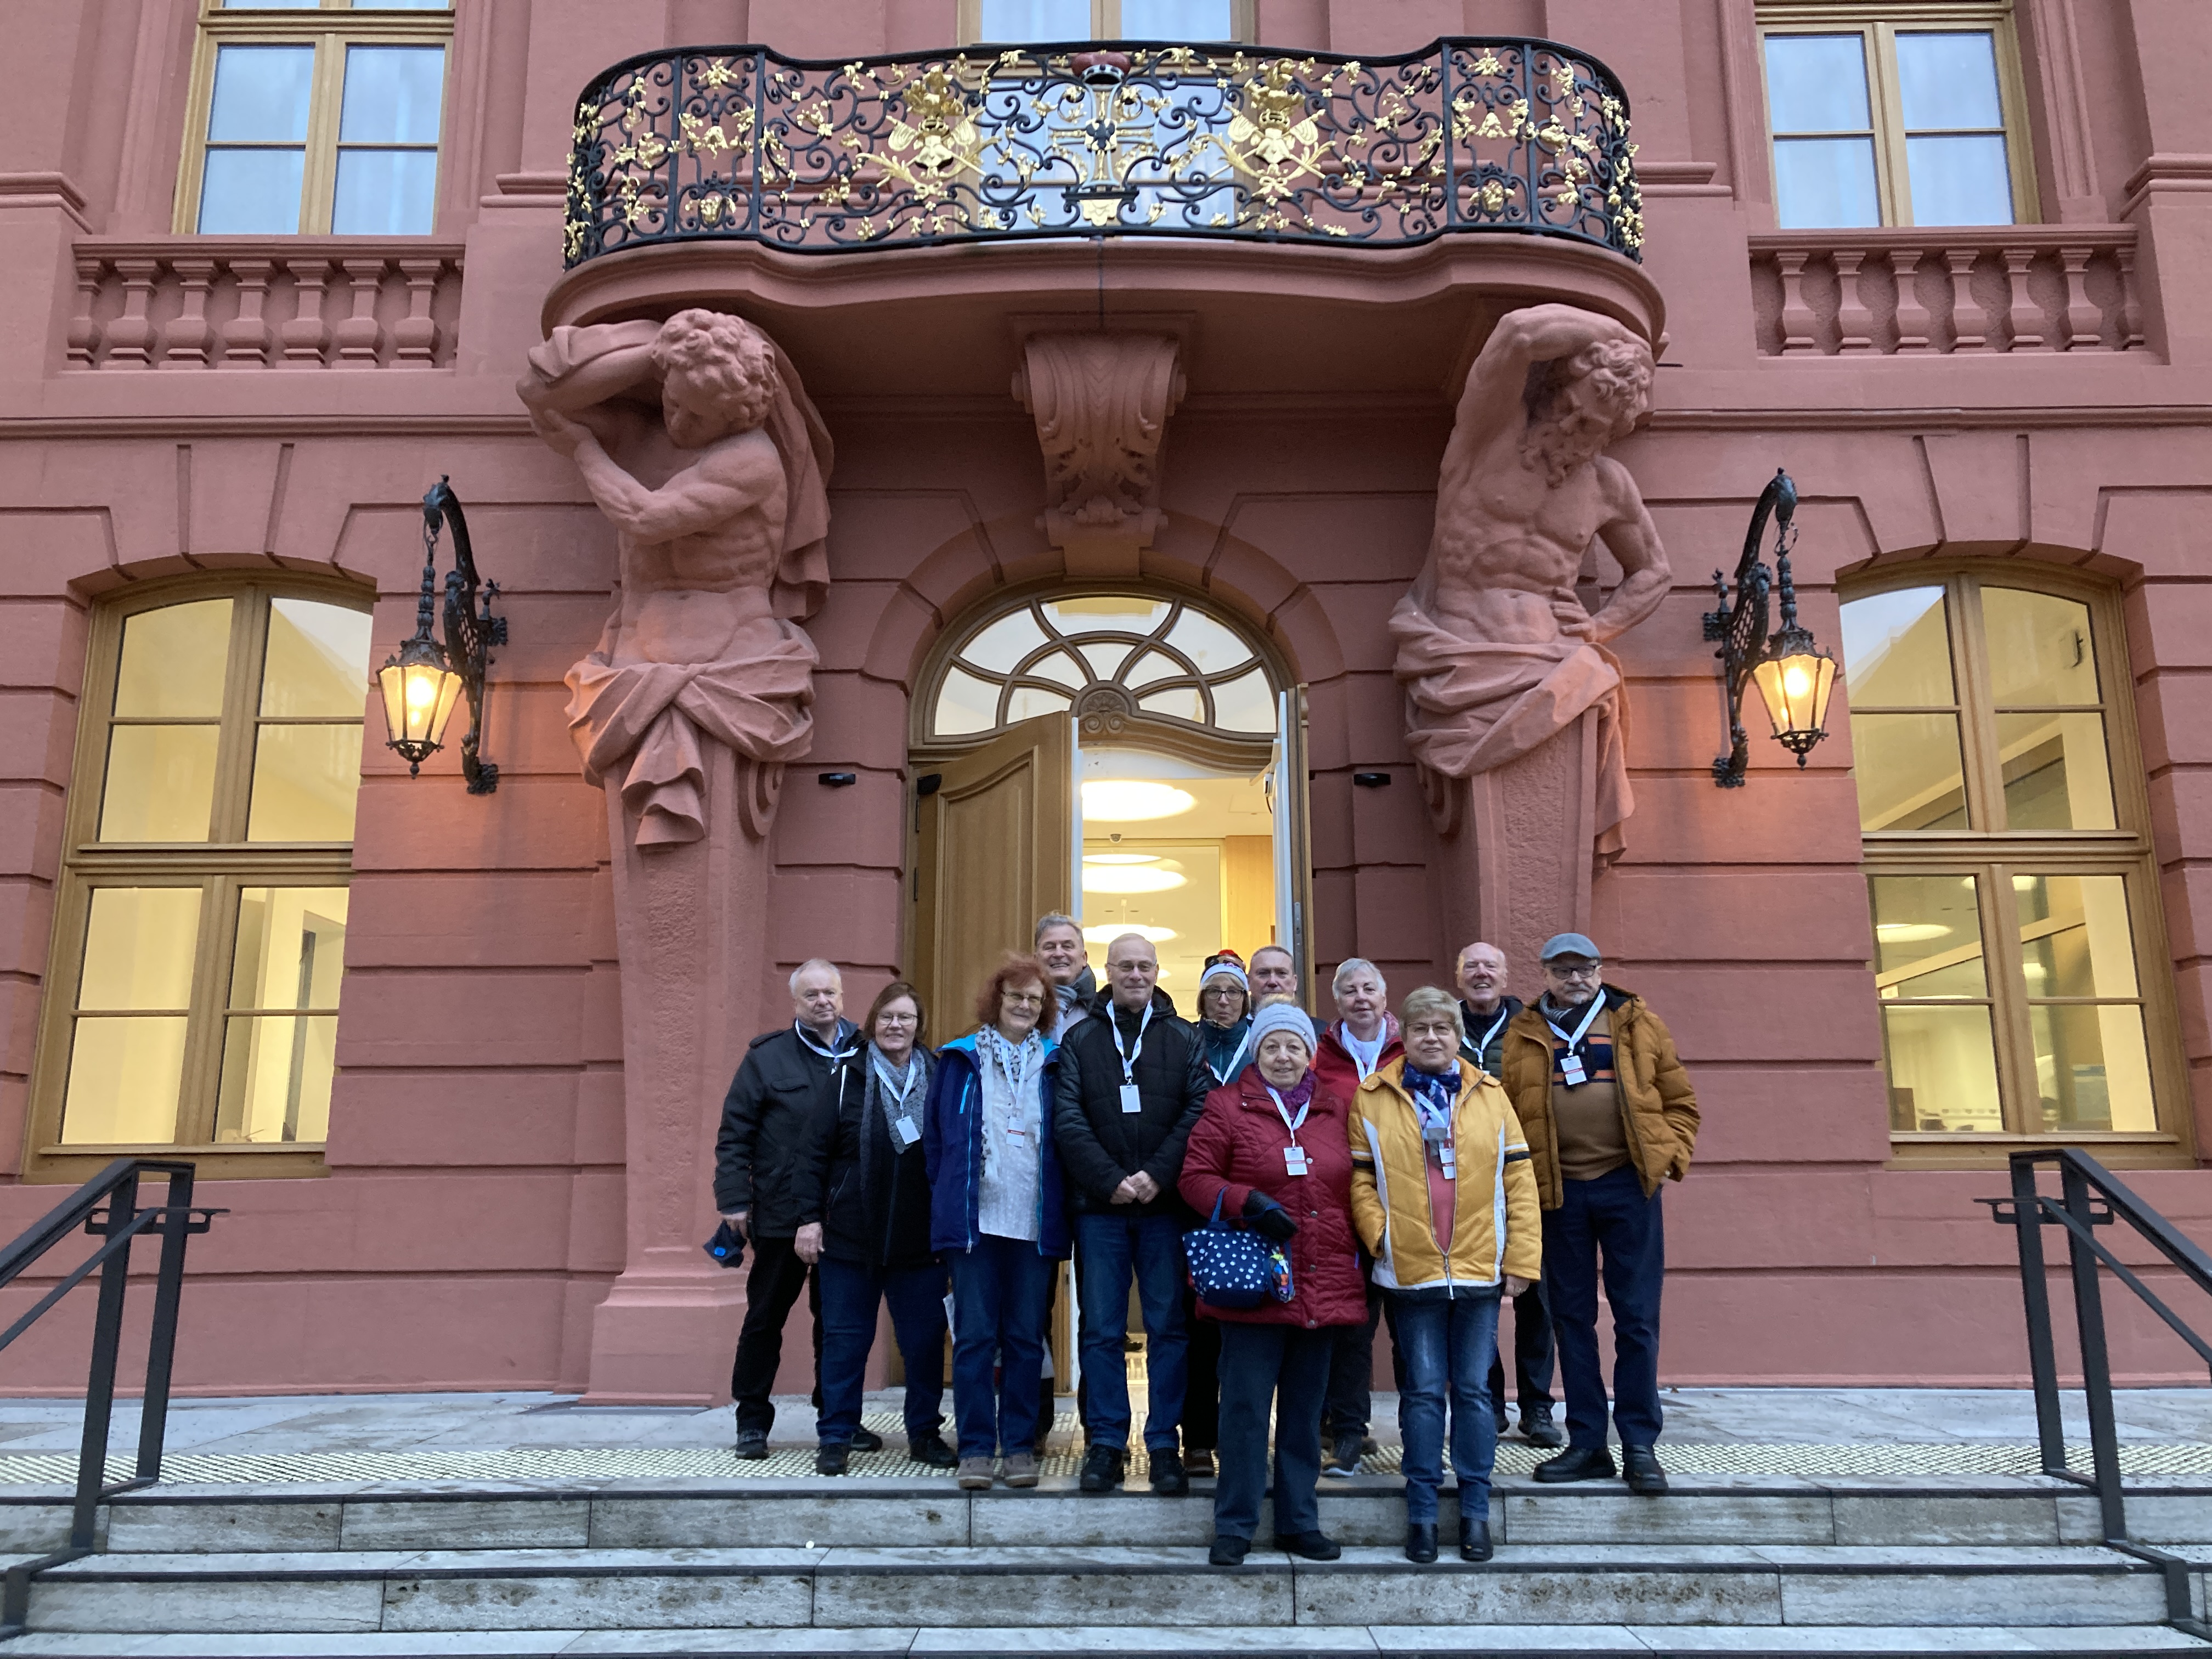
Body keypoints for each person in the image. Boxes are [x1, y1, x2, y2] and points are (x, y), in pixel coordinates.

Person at [1499, 932, 1699, 1496]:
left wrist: (1666, 1158)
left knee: (1636, 1319)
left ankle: (1638, 1443)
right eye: (1563, 971)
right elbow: (1510, 1110)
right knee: (1572, 1318)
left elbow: (1681, 1100)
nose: (1575, 979)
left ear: (1599, 970)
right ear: (1545, 974)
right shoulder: (1525, 1032)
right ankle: (1587, 1442)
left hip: (1628, 1187)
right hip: (1559, 1194)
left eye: (1584, 968)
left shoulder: (1636, 1022)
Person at [1347, 986, 1541, 1564]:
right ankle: (1424, 1513)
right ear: (1402, 1033)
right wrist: (1383, 1238)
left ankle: (1476, 1510)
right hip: (1411, 1274)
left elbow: (1520, 1184)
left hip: (1480, 1271)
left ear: (1458, 1036)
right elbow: (1360, 1182)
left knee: (1477, 1393)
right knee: (1424, 1393)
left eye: (1443, 1028)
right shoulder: (1373, 1096)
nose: (1432, 1037)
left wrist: (1521, 1260)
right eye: (1421, 1027)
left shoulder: (1493, 1096)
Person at [1178, 1003, 1367, 1567]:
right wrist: (1246, 1202)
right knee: (1243, 1410)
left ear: (1309, 1053)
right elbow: (1194, 1178)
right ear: (1255, 1053)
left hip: (1322, 1280)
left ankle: (1298, 1521)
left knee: (1306, 1414)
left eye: (1293, 1047)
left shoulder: (1339, 1110)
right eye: (1271, 1047)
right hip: (1253, 1284)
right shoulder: (1225, 1106)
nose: (1282, 1057)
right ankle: (1234, 1524)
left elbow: (1364, 1181)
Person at [1052, 932, 1209, 1495]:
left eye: (1145, 966)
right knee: (1099, 1331)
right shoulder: (1079, 1040)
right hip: (1099, 1210)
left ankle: (1164, 1442)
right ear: (1109, 971)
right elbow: (1066, 1116)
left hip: (1166, 1209)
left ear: (1158, 971)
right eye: (1126, 966)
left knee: (1169, 1328)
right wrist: (1109, 1179)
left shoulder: (1185, 1039)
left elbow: (1199, 1110)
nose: (1136, 974)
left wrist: (1156, 1175)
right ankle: (1106, 1444)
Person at [794, 981, 955, 1475]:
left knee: (924, 1345)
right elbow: (812, 1154)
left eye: (905, 1018)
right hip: (848, 1240)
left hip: (920, 1243)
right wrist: (808, 1219)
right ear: (872, 1024)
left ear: (918, 1026)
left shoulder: (940, 1076)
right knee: (845, 1341)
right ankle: (837, 1436)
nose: (895, 1026)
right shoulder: (846, 1077)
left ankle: (924, 1434)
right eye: (887, 1017)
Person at [924, 953, 1070, 1491]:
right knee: (975, 1338)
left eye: (1035, 1000)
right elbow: (936, 1143)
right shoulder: (959, 1059)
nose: (1025, 1006)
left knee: (1026, 1338)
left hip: (1034, 1225)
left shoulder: (1058, 1062)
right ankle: (978, 1449)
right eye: (1016, 997)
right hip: (975, 1224)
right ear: (997, 1001)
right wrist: (947, 1201)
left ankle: (1019, 1447)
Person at [715, 958, 865, 1459]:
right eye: (812, 995)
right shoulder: (767, 1058)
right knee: (765, 1320)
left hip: (844, 1214)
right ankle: (752, 1421)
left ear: (843, 997)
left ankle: (837, 1417)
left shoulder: (867, 1052)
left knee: (837, 1324)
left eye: (831, 993)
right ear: (795, 1003)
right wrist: (734, 1198)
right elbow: (735, 1133)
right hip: (780, 1214)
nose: (823, 1002)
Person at [1457, 940, 1562, 1452]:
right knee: (1478, 1296)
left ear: (1505, 976)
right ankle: (1490, 1403)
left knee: (1536, 1299)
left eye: (1490, 966)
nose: (1481, 974)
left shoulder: (1532, 1026)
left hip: (1530, 1178)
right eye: (1471, 966)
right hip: (1464, 1186)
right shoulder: (1443, 1027)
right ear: (1459, 977)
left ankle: (1539, 1407)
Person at [1313, 958, 1405, 1478]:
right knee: (1351, 1326)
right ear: (1338, 1001)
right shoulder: (1320, 1057)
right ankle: (1349, 1431)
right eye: (1350, 991)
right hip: (1344, 1208)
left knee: (1410, 1326)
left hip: (1409, 1207)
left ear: (1385, 996)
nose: (1361, 997)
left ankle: (1419, 1433)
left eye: (1370, 988)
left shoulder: (1410, 1049)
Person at [1182, 951, 1252, 1479]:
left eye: (1232, 992)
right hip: (1197, 1201)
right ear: (1202, 999)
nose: (1223, 1001)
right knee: (1198, 1326)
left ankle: (1245, 1435)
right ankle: (1198, 1438)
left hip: (1255, 1201)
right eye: (1215, 992)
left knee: (1251, 1329)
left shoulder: (1264, 1044)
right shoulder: (1187, 1043)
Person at [1033, 911, 1096, 1448]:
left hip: (1097, 1178)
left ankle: (1099, 1427)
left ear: (1083, 955)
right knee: (1031, 1305)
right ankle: (1033, 1420)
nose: (1059, 954)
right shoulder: (1019, 1010)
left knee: (1096, 1311)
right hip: (1032, 1176)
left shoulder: (1106, 1012)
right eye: (1049, 946)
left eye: (1068, 946)